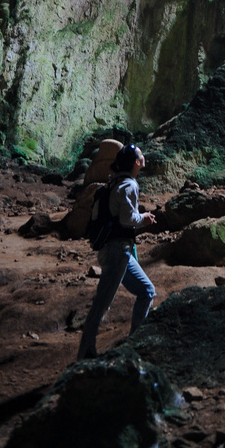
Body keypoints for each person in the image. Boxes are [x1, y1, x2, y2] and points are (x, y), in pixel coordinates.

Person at [78, 142, 157, 359]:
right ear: (136, 162)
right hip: (117, 251)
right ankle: (86, 351)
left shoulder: (110, 185)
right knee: (101, 303)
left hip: (112, 250)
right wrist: (144, 218)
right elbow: (127, 219)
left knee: (146, 291)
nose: (143, 157)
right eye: (140, 155)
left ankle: (133, 346)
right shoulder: (129, 185)